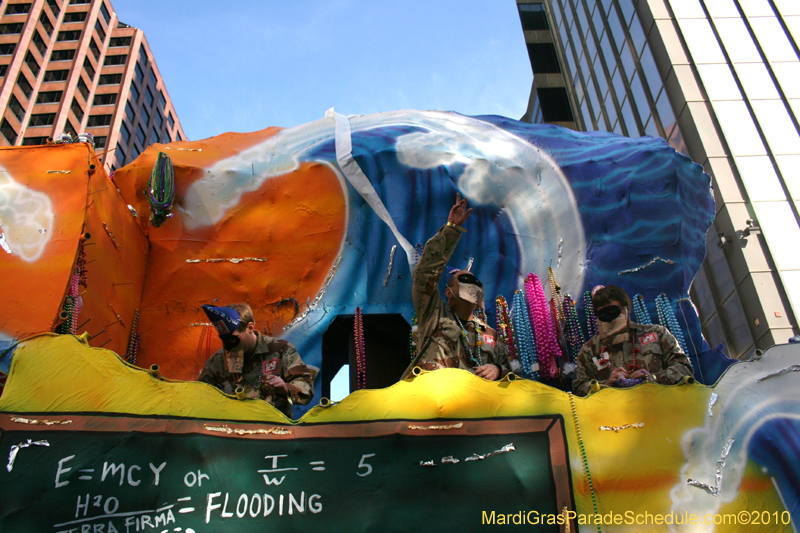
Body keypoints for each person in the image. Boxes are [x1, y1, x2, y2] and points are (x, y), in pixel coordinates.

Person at [402, 194, 510, 380]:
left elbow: (510, 372)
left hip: (477, 404)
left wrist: (498, 369)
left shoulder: (489, 334)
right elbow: (425, 274)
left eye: (477, 282)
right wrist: (451, 229)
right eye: (465, 280)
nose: (473, 284)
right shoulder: (433, 316)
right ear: (448, 292)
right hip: (435, 401)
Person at [572, 285, 694, 396]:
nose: (609, 319)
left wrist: (655, 378)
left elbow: (684, 368)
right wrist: (606, 385)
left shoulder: (657, 334)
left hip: (660, 405)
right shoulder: (590, 350)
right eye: (603, 314)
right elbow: (579, 388)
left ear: (627, 309)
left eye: (613, 311)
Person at [198, 303, 314, 418]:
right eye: (224, 339)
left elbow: (306, 390)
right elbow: (201, 397)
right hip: (234, 431)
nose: (228, 345)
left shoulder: (281, 350)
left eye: (233, 339)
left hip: (275, 430)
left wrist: (286, 389)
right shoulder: (218, 361)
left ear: (250, 328)